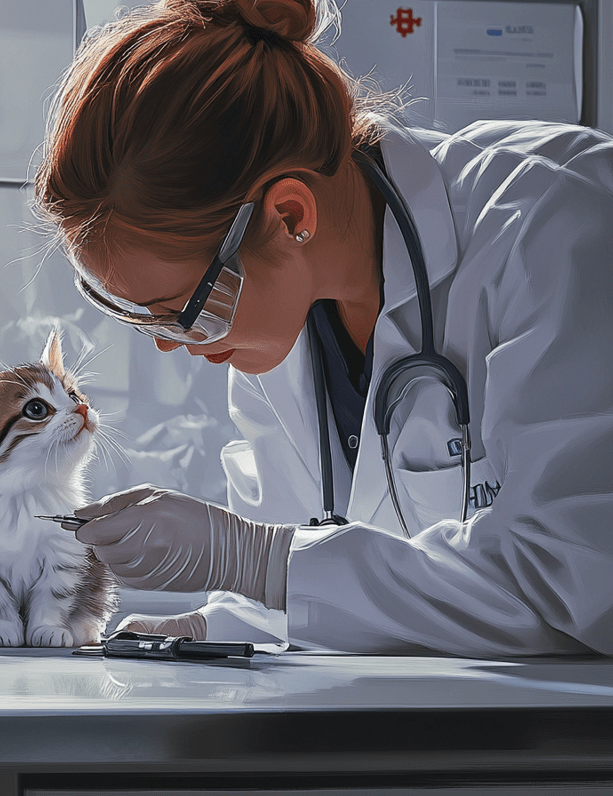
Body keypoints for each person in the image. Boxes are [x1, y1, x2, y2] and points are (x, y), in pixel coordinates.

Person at [33, 0, 613, 657]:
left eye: (178, 309)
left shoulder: (548, 231)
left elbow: (575, 585)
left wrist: (251, 558)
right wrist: (222, 623)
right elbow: (311, 592)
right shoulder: (271, 330)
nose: (169, 341)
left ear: (288, 216)